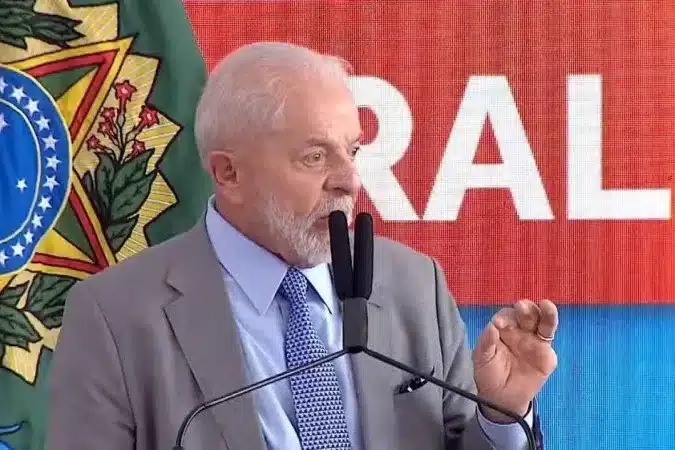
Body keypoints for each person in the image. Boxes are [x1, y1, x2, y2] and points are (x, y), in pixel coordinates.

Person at [45, 42, 558, 450]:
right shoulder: (116, 316)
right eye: (315, 157)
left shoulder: (413, 285)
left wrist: (500, 415)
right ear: (229, 173)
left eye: (352, 151)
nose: (349, 181)